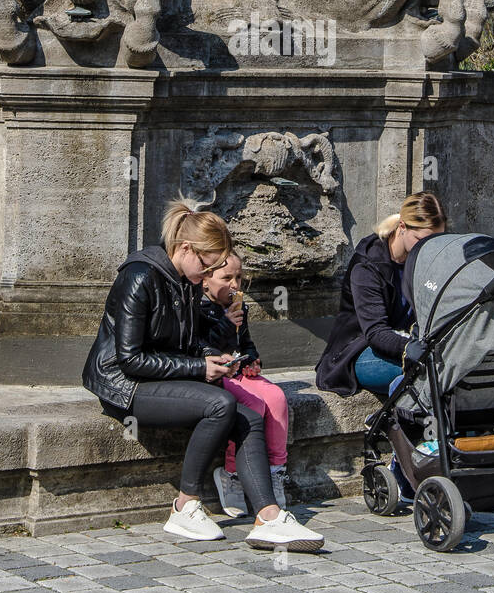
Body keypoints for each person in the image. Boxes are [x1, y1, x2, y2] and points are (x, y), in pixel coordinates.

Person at [82, 198, 323, 552]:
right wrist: (199, 367)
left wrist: (216, 357)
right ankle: (185, 504)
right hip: (125, 385)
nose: (208, 274)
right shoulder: (138, 277)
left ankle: (268, 517)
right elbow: (131, 359)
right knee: (221, 404)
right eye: (208, 265)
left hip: (164, 378)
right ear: (185, 249)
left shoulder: (187, 282)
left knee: (250, 414)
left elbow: (188, 342)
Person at [316, 192, 448, 398]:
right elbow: (377, 333)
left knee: (457, 371)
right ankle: (399, 425)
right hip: (358, 351)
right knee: (433, 374)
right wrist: (420, 350)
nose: (429, 249)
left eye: (437, 241)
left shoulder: (429, 259)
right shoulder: (367, 264)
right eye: (422, 240)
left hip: (412, 346)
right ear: (402, 227)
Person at [198, 253, 290, 516]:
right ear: (205, 280)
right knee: (252, 404)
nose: (235, 285)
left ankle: (275, 471)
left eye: (239, 278)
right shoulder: (198, 308)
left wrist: (252, 359)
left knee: (275, 397)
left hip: (239, 373)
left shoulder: (240, 306)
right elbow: (203, 346)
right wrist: (226, 324)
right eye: (227, 278)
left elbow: (246, 343)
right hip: (217, 374)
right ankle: (232, 474)